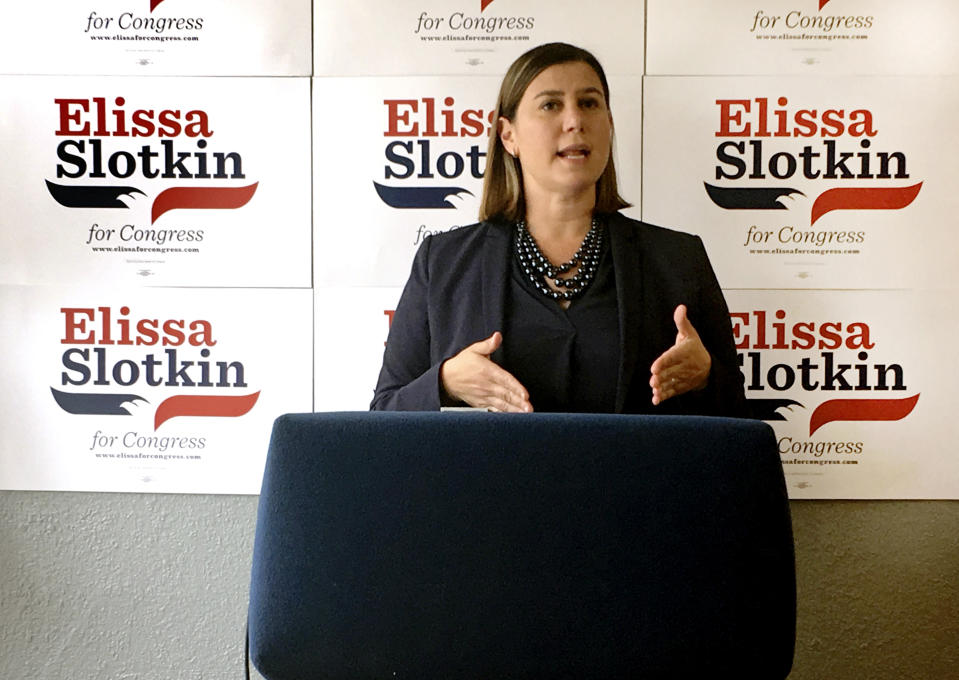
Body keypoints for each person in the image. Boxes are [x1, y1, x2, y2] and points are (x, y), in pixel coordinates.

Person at [371, 42, 746, 416]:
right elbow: (383, 415)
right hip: (488, 478)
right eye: (551, 105)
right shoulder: (443, 262)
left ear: (609, 124)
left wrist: (706, 376)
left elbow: (739, 426)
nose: (575, 121)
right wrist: (445, 382)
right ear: (508, 136)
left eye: (589, 103)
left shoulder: (679, 260)